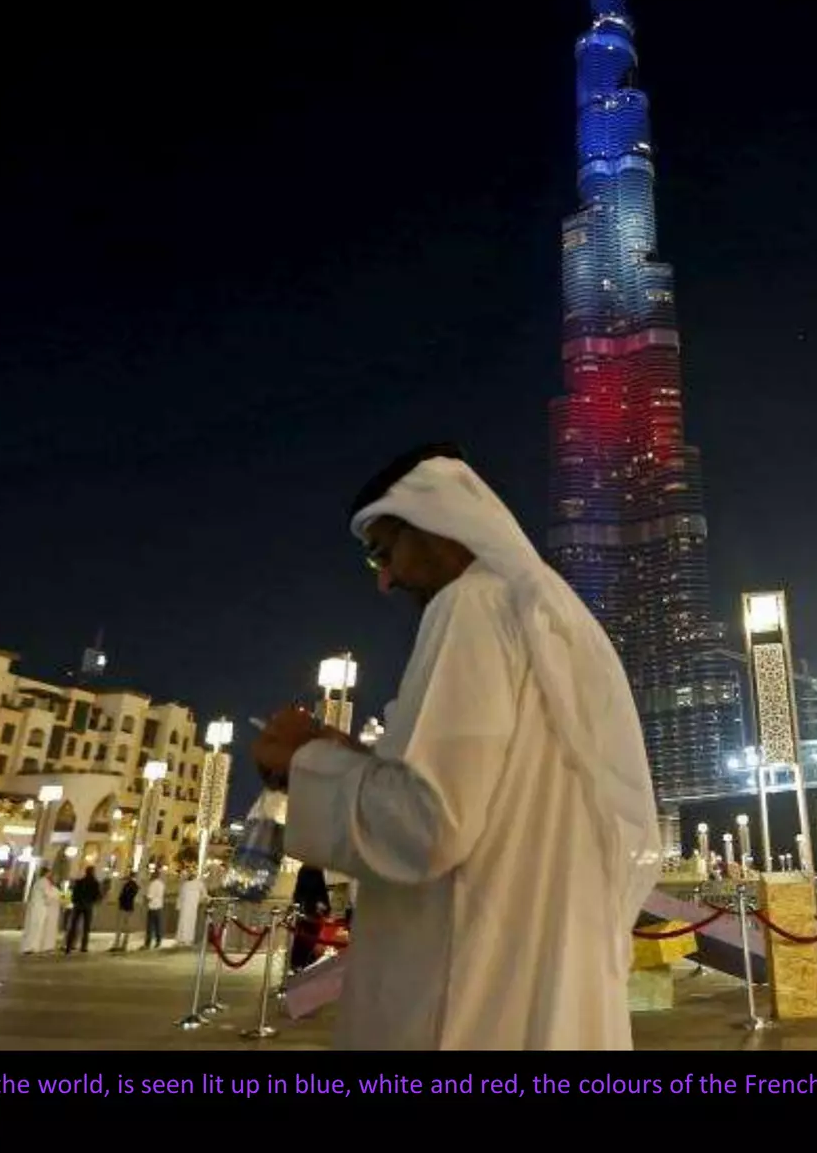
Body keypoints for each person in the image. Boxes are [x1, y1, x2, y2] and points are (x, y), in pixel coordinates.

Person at [254, 444, 660, 1050]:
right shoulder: (539, 611)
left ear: (434, 524)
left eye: (383, 554)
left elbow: (429, 825)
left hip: (476, 992)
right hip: (535, 970)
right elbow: (493, 800)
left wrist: (302, 760)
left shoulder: (471, 604)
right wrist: (359, 763)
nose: (386, 580)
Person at [289, 862, 332, 972]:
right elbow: (318, 891)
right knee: (305, 942)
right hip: (309, 913)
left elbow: (302, 892)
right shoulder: (311, 869)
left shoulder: (312, 869)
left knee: (306, 942)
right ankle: (301, 965)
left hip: (309, 912)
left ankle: (300, 965)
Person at [20, 868, 62, 956]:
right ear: (46, 873)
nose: (51, 875)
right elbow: (48, 895)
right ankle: (32, 947)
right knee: (36, 928)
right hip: (39, 909)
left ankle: (33, 947)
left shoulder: (39, 882)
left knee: (35, 928)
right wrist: (59, 897)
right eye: (50, 873)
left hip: (38, 908)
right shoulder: (44, 882)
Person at [65, 864, 102, 955]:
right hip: (88, 906)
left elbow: (74, 894)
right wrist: (93, 901)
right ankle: (84, 946)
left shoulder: (80, 882)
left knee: (73, 926)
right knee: (86, 927)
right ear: (92, 872)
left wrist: (75, 901)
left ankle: (68, 946)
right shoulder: (95, 883)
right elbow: (97, 895)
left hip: (78, 905)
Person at [144, 866, 167, 949]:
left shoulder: (152, 884)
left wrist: (145, 900)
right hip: (159, 906)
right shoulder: (161, 884)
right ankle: (158, 941)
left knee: (150, 926)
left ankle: (148, 943)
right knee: (158, 926)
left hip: (152, 907)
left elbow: (150, 896)